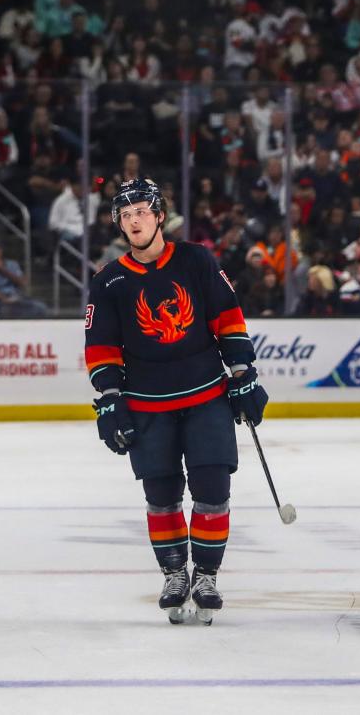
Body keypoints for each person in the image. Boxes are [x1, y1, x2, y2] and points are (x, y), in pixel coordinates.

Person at [84, 178, 268, 624]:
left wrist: (242, 371)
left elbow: (227, 316)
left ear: (160, 215)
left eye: (142, 212)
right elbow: (101, 347)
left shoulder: (196, 260)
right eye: (126, 216)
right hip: (147, 404)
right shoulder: (109, 281)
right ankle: (173, 574)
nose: (134, 221)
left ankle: (205, 574)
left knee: (212, 489)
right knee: (162, 496)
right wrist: (110, 400)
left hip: (206, 395)